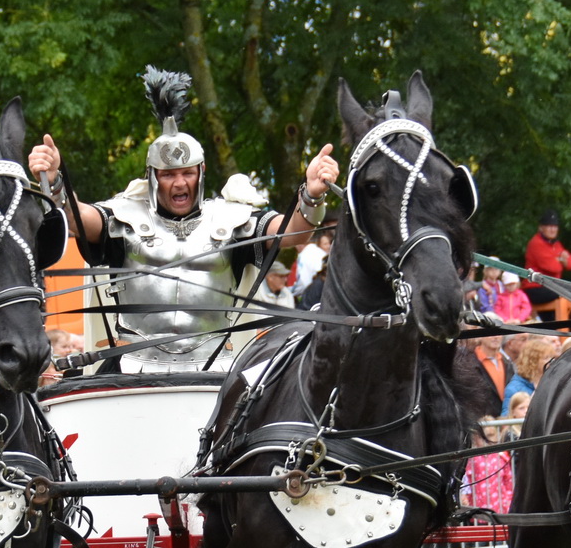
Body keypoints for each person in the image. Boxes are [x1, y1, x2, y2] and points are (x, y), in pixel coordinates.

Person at [26, 67, 337, 373]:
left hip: (216, 369)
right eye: (168, 175)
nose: (179, 183)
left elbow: (293, 233)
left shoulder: (232, 219)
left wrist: (312, 195)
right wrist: (55, 182)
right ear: (152, 177)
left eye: (187, 173)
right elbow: (76, 217)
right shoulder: (123, 218)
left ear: (201, 173)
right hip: (132, 367)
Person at [521, 210, 571, 322]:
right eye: (549, 226)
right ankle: (568, 329)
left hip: (550, 288)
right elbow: (554, 267)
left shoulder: (556, 244)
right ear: (541, 228)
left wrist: (558, 259)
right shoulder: (536, 243)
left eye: (555, 226)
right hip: (534, 288)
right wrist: (561, 259)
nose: (553, 229)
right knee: (568, 295)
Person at [453, 332, 509, 420]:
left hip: (505, 419)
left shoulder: (506, 362)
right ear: (480, 336)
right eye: (491, 333)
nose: (496, 337)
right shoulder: (469, 362)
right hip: (484, 419)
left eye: (499, 333)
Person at [501, 336, 554, 411]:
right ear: (533, 361)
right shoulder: (515, 388)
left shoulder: (553, 381)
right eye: (546, 358)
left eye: (552, 358)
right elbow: (507, 415)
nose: (551, 362)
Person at [293, 225, 333, 301]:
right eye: (325, 244)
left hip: (315, 293)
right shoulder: (316, 252)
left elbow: (302, 281)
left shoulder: (307, 254)